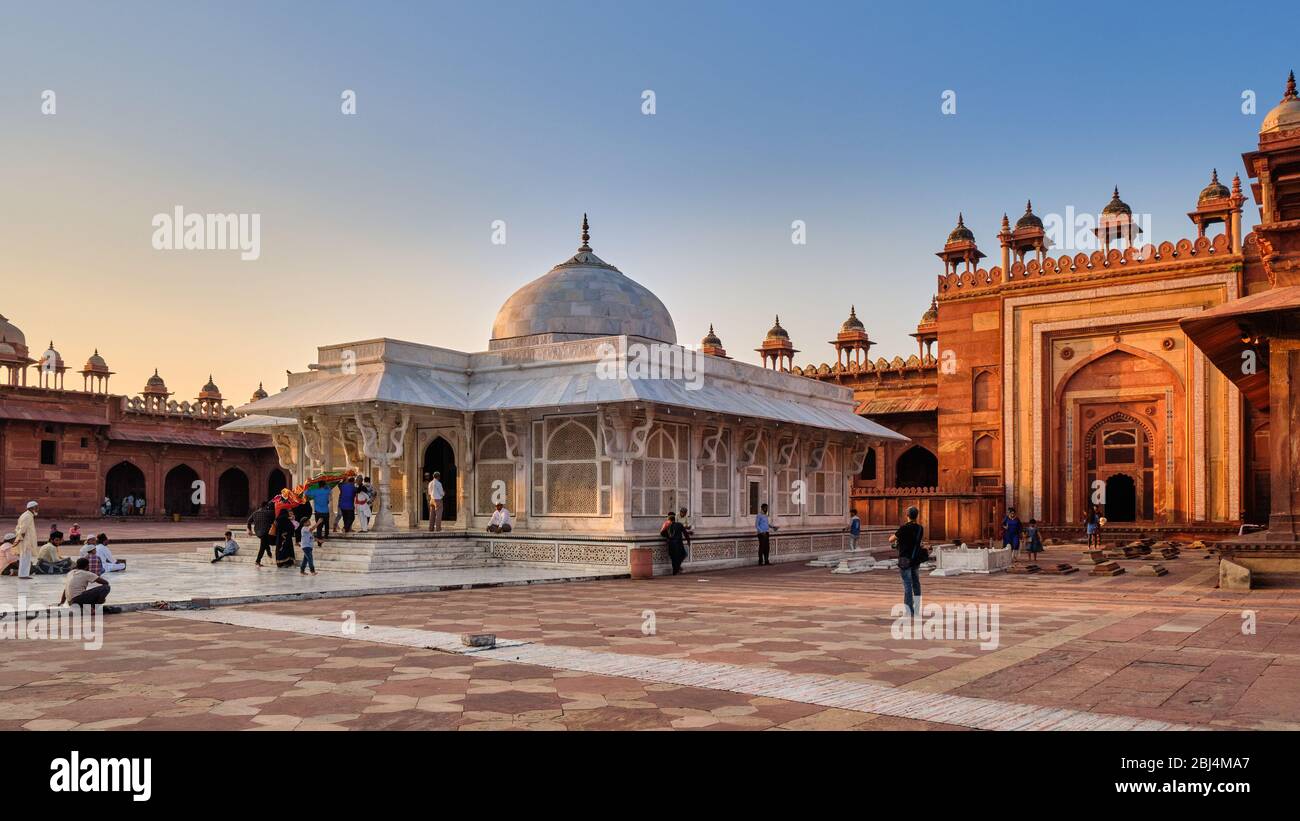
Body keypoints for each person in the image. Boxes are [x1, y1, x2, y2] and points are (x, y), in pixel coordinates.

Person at [891, 506, 924, 617]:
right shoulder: (920, 528)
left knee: (907, 585)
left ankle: (909, 610)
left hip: (905, 559)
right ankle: (917, 609)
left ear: (907, 515)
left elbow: (891, 539)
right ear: (916, 516)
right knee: (916, 584)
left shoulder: (903, 528)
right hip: (915, 559)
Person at [14, 500, 39, 579]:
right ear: (33, 508)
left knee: (25, 557)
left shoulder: (26, 515)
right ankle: (23, 575)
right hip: (26, 540)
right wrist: (20, 538)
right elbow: (23, 529)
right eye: (36, 507)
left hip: (25, 539)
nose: (38, 508)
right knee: (25, 557)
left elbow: (18, 527)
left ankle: (23, 574)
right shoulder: (27, 516)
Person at [247, 500, 276, 566]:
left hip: (258, 532)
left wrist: (250, 530)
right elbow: (274, 518)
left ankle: (268, 553)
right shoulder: (269, 512)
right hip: (266, 531)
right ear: (266, 506)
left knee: (264, 542)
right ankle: (258, 561)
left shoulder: (255, 513)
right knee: (262, 546)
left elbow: (249, 521)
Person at [660, 511, 688, 575]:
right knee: (682, 555)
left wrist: (668, 537)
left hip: (671, 543)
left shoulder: (667, 524)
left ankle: (675, 570)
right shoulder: (677, 524)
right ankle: (677, 568)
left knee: (673, 557)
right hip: (678, 543)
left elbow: (662, 533)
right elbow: (685, 533)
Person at [274, 503, 297, 567]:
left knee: (280, 549)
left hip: (279, 538)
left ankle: (280, 562)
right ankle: (287, 562)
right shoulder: (286, 519)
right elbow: (291, 528)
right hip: (287, 538)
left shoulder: (277, 519)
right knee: (287, 549)